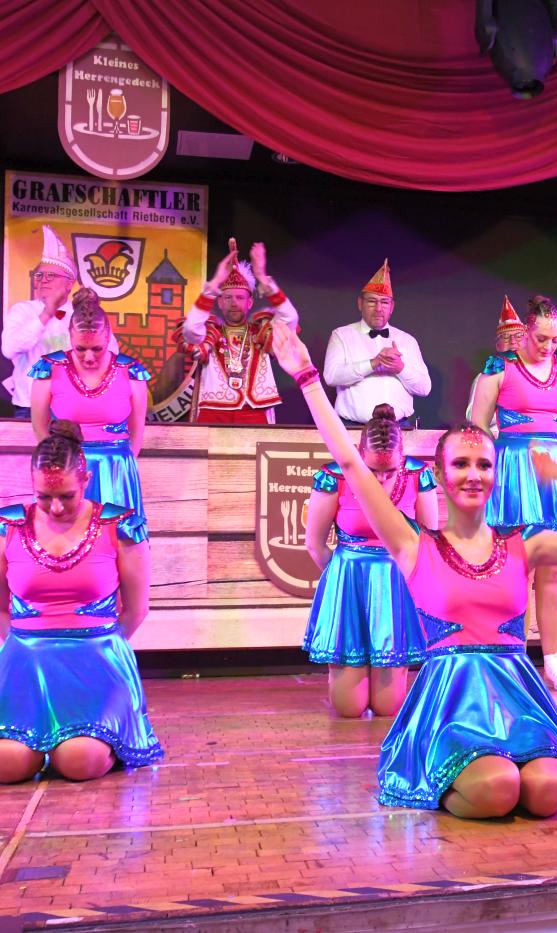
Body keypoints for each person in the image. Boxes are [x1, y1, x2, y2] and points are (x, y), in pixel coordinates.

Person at [270, 322, 557, 818]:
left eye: (484, 465)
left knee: (550, 790)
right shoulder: (414, 545)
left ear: (496, 473)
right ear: (440, 474)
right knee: (497, 788)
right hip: (453, 704)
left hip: (515, 696)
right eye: (461, 464)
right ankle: (441, 770)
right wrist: (307, 377)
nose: (473, 475)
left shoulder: (523, 544)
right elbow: (350, 464)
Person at [0, 420, 162, 782]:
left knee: (79, 761)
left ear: (86, 480)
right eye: (43, 497)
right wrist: (28, 646)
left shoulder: (120, 527)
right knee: (4, 765)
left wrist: (102, 647)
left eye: (67, 496)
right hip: (26, 661)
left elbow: (136, 608)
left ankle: (87, 741)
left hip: (97, 659)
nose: (55, 508)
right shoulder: (4, 529)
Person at [469, 294, 557, 691]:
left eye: (555, 340)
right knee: (515, 568)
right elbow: (477, 425)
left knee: (552, 569)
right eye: (541, 338)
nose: (548, 346)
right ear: (524, 333)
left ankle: (553, 662)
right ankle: (512, 656)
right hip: (513, 473)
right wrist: (505, 462)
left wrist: (554, 458)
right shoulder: (500, 368)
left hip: (553, 472)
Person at [304, 403, 439, 719]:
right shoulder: (334, 477)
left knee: (388, 706)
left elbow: (427, 545)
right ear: (358, 455)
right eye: (372, 471)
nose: (380, 479)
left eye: (389, 472)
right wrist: (342, 581)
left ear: (402, 457)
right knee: (348, 708)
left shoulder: (418, 476)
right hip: (349, 582)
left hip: (396, 588)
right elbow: (315, 545)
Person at [29, 289, 150, 521]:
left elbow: (137, 434)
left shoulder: (131, 372)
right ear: (70, 337)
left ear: (108, 337)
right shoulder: (49, 369)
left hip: (116, 471)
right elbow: (39, 429)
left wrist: (121, 467)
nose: (89, 357)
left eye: (97, 349)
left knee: (117, 536)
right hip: (66, 472)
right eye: (80, 349)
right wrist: (61, 468)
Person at [181, 239, 300, 424]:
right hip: (213, 410)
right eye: (227, 297)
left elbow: (290, 318)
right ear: (220, 302)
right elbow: (190, 330)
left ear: (249, 302)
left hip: (254, 411)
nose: (234, 303)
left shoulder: (261, 331)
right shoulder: (210, 333)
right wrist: (213, 285)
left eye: (240, 297)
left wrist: (263, 279)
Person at [3, 226, 117, 418]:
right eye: (39, 275)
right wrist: (47, 314)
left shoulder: (85, 315)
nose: (43, 280)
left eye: (51, 275)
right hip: (30, 406)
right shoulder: (23, 311)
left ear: (69, 283)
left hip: (75, 405)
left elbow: (111, 356)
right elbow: (9, 349)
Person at [323, 259, 431, 426]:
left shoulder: (407, 340)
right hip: (351, 428)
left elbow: (424, 388)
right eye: (372, 301)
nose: (379, 308)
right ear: (360, 303)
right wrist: (373, 363)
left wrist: (400, 368)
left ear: (392, 307)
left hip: (399, 428)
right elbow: (331, 377)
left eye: (384, 302)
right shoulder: (341, 335)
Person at [465, 296, 526, 431]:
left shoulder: (538, 374)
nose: (513, 341)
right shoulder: (488, 376)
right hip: (498, 437)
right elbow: (472, 417)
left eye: (518, 336)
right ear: (498, 346)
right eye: (506, 337)